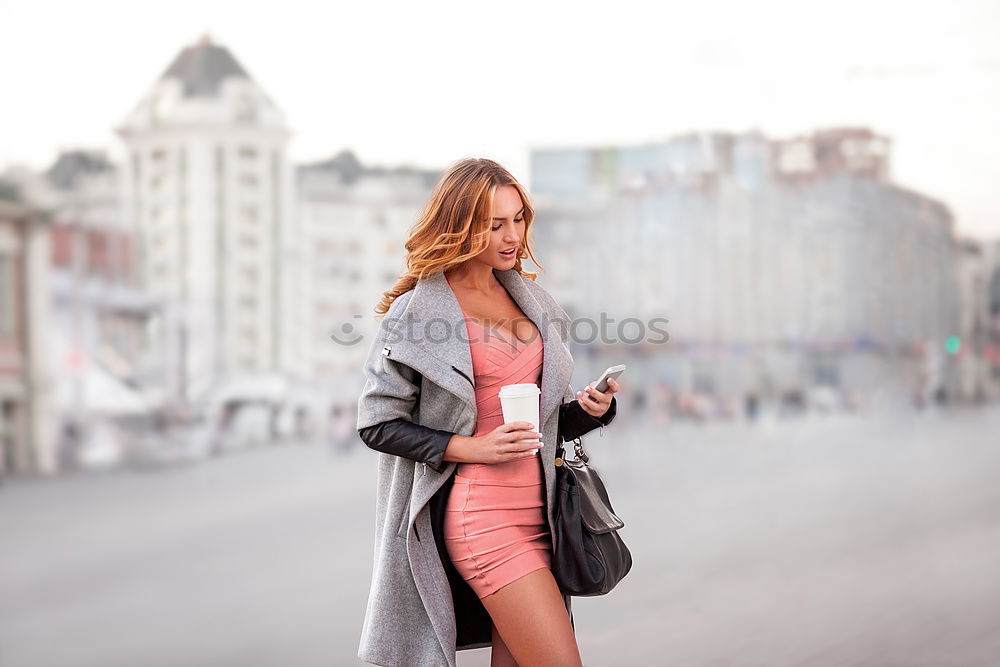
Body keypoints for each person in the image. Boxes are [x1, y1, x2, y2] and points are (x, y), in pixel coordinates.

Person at [356, 157, 620, 667]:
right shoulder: (417, 313)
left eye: (519, 219)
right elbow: (377, 422)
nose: (512, 235)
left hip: (545, 515)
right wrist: (471, 447)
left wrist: (591, 410)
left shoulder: (532, 301)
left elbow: (540, 425)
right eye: (495, 223)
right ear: (459, 224)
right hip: (483, 519)